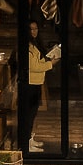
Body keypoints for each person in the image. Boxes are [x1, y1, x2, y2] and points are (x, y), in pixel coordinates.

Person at [26, 20, 59, 153]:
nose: (34, 31)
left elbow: (38, 61)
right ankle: (26, 143)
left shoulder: (34, 45)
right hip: (29, 84)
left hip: (36, 83)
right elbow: (34, 67)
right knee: (28, 114)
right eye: (31, 29)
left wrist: (50, 56)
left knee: (32, 114)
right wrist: (51, 64)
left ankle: (29, 139)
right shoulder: (26, 47)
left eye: (36, 29)